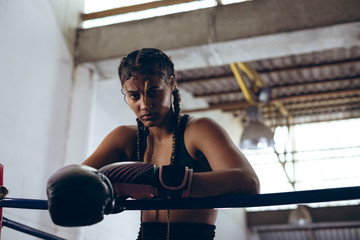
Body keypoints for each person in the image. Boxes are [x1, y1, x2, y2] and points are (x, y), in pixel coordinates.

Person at [80, 48, 260, 240]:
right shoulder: (126, 138)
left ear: (171, 84)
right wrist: (109, 190)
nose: (145, 104)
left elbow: (249, 183)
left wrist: (159, 181)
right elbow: (74, 181)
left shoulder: (198, 130)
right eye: (134, 96)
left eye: (153, 92)